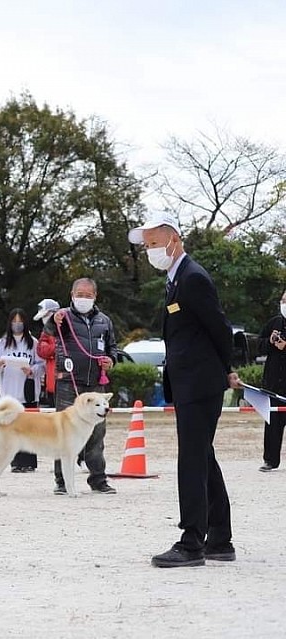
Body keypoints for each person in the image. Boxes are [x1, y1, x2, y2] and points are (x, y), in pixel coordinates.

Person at [129, 212, 241, 568]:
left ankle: (192, 541)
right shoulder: (175, 280)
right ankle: (220, 539)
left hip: (200, 381)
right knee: (202, 456)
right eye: (147, 246)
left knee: (192, 460)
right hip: (191, 380)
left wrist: (226, 370)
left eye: (154, 243)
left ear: (173, 238)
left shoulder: (192, 278)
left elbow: (220, 328)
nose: (150, 251)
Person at [47, 279, 117, 494]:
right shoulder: (63, 316)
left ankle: (98, 479)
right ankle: (61, 481)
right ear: (72, 294)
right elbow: (49, 329)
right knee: (63, 432)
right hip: (69, 383)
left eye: (88, 295)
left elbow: (112, 347)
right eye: (80, 294)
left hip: (96, 384)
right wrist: (54, 318)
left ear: (95, 296)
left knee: (97, 433)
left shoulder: (104, 321)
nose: (83, 298)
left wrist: (110, 360)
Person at [0, 308, 44, 472]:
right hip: (9, 392)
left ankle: (29, 463)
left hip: (28, 390)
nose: (17, 325)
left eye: (20, 321)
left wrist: (32, 371)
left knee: (29, 428)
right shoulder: (2, 343)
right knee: (12, 429)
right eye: (14, 321)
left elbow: (41, 364)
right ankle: (15, 462)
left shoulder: (33, 343)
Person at [258, 290, 286, 471]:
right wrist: (270, 342)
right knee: (273, 422)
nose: (284, 303)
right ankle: (270, 460)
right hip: (274, 383)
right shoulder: (274, 322)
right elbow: (258, 345)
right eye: (283, 300)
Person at [33, 299, 60, 408]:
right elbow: (41, 350)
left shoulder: (69, 329)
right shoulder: (46, 332)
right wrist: (56, 348)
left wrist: (52, 348)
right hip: (51, 383)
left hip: (66, 383)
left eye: (46, 316)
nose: (44, 320)